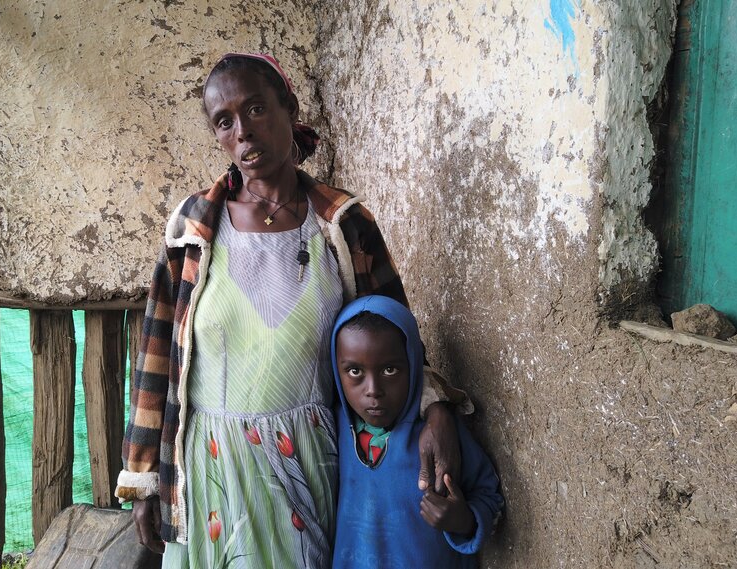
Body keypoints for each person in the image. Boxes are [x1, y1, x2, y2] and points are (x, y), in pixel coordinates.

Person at [115, 53, 469, 568]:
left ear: (289, 107)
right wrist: (144, 476)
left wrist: (435, 406)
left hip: (309, 464)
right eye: (224, 121)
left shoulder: (344, 227)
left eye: (256, 109)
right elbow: (155, 356)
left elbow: (397, 334)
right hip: (213, 464)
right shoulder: (193, 228)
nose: (243, 132)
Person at [330, 295, 504, 568]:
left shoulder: (438, 433)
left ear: (413, 365)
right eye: (354, 371)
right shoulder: (335, 425)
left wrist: (465, 520)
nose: (373, 389)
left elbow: (489, 495)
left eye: (390, 369)